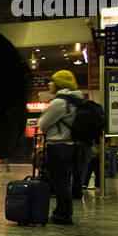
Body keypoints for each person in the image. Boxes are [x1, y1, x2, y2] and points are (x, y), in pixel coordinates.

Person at [38, 70, 83, 225]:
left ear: (59, 84)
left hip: (57, 145)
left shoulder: (59, 103)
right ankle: (61, 211)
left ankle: (63, 214)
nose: (49, 84)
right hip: (71, 145)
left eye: (52, 81)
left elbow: (42, 124)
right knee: (64, 180)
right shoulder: (75, 101)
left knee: (59, 182)